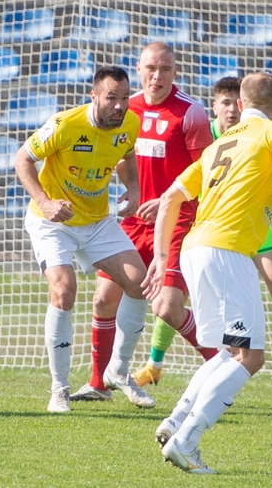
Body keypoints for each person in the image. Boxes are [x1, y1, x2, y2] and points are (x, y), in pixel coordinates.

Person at [143, 72, 272, 474]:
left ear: (239, 105)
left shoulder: (221, 142)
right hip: (228, 252)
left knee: (227, 351)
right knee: (251, 356)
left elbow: (170, 198)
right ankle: (187, 441)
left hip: (192, 249)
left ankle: (175, 423)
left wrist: (158, 256)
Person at [70, 42, 215, 408]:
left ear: (175, 72)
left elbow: (209, 174)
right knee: (104, 299)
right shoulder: (125, 107)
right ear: (138, 69)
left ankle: (222, 362)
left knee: (166, 308)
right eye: (151, 67)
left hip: (178, 222)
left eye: (165, 69)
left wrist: (169, 199)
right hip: (133, 222)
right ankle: (99, 383)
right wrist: (130, 189)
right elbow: (118, 153)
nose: (157, 75)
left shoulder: (191, 113)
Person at [14, 65, 153, 414]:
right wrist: (45, 202)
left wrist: (133, 187)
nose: (120, 106)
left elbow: (125, 154)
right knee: (64, 290)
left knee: (140, 283)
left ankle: (117, 372)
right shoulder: (66, 124)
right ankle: (59, 389)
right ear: (94, 96)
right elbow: (23, 159)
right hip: (53, 221)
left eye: (124, 98)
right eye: (111, 98)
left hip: (96, 221)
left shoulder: (130, 124)